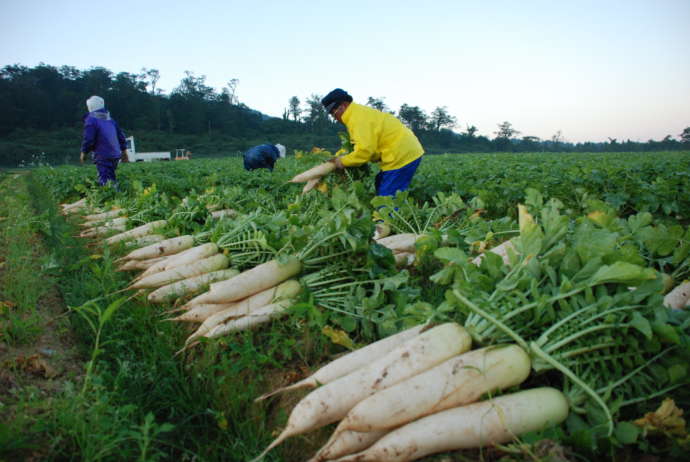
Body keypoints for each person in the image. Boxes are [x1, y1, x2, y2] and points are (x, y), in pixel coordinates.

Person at [321, 88, 424, 196]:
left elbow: (364, 151)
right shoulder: (356, 114)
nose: (335, 118)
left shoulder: (358, 119)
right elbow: (355, 145)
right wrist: (337, 156)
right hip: (403, 151)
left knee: (387, 200)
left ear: (342, 106)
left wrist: (341, 162)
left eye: (333, 114)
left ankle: (390, 212)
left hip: (401, 155)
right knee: (380, 183)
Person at [80, 95, 128, 187]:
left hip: (102, 155)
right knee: (111, 177)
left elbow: (89, 139)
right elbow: (121, 137)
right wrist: (124, 152)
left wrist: (83, 152)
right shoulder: (110, 120)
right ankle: (115, 194)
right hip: (115, 155)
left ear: (90, 107)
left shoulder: (91, 120)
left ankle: (111, 197)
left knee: (105, 180)